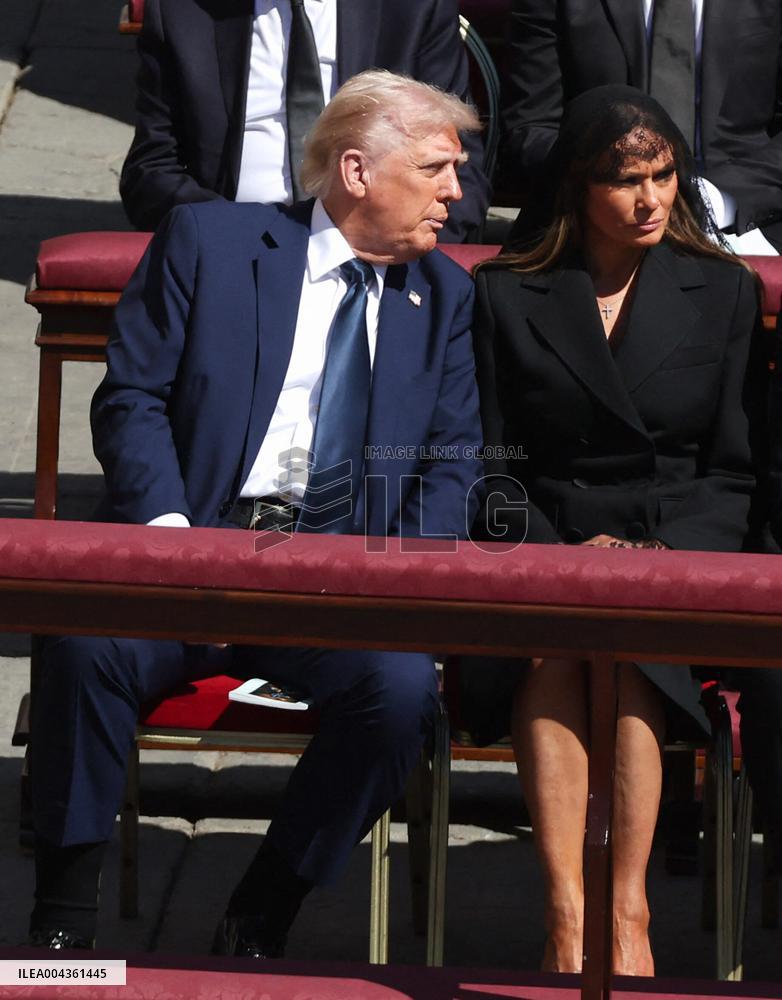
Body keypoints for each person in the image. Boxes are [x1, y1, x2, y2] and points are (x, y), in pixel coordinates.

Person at [28, 70, 484, 955]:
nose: (457, 193)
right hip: (192, 551)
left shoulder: (445, 300)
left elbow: (452, 461)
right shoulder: (212, 241)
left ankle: (263, 911)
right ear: (356, 171)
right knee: (82, 651)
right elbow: (133, 399)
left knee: (398, 697)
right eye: (436, 168)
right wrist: (166, 534)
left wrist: (394, 576)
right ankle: (62, 928)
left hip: (335, 579)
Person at [472, 84, 767, 975]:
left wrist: (665, 556)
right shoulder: (506, 293)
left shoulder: (724, 291)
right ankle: (570, 915)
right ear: (577, 187)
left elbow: (736, 469)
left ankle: (628, 912)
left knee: (631, 640)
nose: (651, 199)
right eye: (627, 179)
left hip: (679, 545)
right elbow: (489, 466)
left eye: (666, 174)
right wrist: (559, 555)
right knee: (572, 638)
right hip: (550, 541)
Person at [119, 0, 490, 242]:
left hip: (373, 243)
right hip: (230, 243)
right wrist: (232, 232)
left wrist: (395, 246)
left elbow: (459, 166)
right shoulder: (184, 11)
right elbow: (150, 171)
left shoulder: (411, 10)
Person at [501, 0, 782, 255]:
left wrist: (715, 201)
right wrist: (610, 184)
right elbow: (531, 127)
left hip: (748, 216)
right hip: (599, 227)